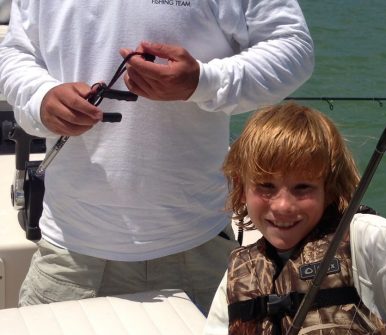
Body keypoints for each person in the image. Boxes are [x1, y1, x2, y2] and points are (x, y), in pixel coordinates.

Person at [0, 1, 314, 311]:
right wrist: (40, 96)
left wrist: (202, 81)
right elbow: (15, 51)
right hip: (68, 250)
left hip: (198, 246)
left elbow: (293, 49)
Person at [203, 100, 386, 334]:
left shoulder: (359, 237)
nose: (282, 205)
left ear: (329, 190)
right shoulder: (239, 273)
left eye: (302, 187)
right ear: (242, 188)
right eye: (265, 186)